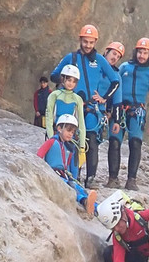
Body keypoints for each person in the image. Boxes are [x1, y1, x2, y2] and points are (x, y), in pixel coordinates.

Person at [50, 24, 120, 196]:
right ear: (80, 40)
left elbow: (115, 81)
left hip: (91, 108)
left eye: (91, 42)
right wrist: (65, 80)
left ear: (95, 42)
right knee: (72, 140)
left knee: (91, 142)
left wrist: (103, 97)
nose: (88, 45)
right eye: (85, 41)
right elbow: (53, 75)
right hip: (72, 106)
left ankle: (91, 177)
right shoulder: (71, 58)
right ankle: (75, 175)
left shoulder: (100, 61)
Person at [113, 38, 149, 191]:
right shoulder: (124, 67)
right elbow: (114, 86)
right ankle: (112, 178)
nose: (141, 55)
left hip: (137, 111)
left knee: (135, 143)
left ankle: (131, 180)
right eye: (140, 52)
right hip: (120, 108)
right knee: (114, 142)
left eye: (145, 53)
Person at [37, 114, 95, 215]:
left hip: (64, 174)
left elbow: (68, 165)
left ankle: (96, 207)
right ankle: (84, 201)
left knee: (79, 187)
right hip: (53, 173)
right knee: (71, 186)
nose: (70, 134)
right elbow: (38, 156)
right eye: (68, 130)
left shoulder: (69, 147)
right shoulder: (51, 142)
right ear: (59, 128)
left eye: (72, 132)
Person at [102, 41, 126, 190]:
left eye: (117, 56)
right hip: (93, 108)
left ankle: (113, 178)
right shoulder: (96, 66)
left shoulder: (116, 74)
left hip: (108, 112)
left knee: (114, 143)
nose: (115, 57)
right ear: (106, 51)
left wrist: (116, 119)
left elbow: (118, 98)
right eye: (113, 53)